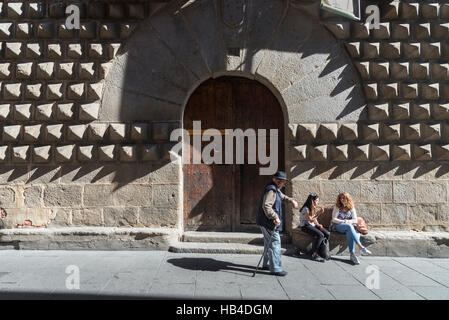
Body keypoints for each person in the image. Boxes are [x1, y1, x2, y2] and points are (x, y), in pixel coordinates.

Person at [256, 171, 298, 276]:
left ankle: (267, 263)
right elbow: (266, 206)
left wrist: (291, 200)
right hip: (269, 222)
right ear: (278, 181)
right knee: (275, 242)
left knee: (268, 242)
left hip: (264, 221)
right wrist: (275, 217)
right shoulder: (272, 190)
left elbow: (282, 196)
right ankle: (276, 268)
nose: (284, 184)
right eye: (283, 182)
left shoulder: (275, 189)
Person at [331, 192, 372, 265]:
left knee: (350, 231)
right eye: (341, 198)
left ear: (348, 198)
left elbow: (355, 220)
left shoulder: (351, 207)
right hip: (338, 226)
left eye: (344, 198)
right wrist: (345, 221)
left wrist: (348, 222)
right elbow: (334, 219)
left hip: (348, 227)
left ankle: (352, 255)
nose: (342, 199)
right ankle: (361, 247)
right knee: (349, 227)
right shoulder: (337, 207)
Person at [299, 193, 330, 262]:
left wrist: (318, 224)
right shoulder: (306, 209)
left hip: (312, 224)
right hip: (305, 226)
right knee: (320, 235)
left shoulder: (314, 207)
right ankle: (315, 254)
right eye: (317, 200)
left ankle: (323, 251)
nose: (318, 202)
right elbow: (310, 219)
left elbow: (314, 219)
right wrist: (319, 213)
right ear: (312, 201)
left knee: (327, 233)